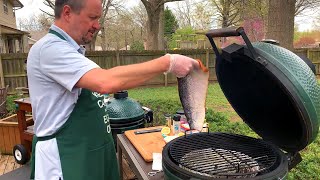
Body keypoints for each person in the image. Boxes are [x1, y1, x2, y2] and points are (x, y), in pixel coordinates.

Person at [26, 0, 199, 180]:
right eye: (92, 17)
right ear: (67, 13)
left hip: (93, 154)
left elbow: (113, 80)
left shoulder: (72, 51)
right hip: (66, 159)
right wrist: (168, 63)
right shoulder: (50, 49)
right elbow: (105, 81)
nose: (97, 25)